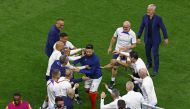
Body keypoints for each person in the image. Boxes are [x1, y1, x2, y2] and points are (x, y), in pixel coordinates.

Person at [137, 4, 169, 76]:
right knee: (147, 52)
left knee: (155, 54)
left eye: (149, 10)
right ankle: (149, 63)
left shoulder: (158, 18)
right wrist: (138, 37)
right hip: (147, 39)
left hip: (155, 40)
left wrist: (166, 37)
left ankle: (155, 69)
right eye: (147, 9)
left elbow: (163, 28)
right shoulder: (144, 17)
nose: (147, 11)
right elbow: (141, 27)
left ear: (153, 11)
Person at [105, 21, 137, 89]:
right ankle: (112, 81)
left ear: (130, 27)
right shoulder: (118, 30)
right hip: (117, 51)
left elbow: (134, 45)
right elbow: (114, 38)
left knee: (132, 67)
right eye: (124, 27)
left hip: (127, 53)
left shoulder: (132, 34)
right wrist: (110, 47)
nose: (124, 28)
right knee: (115, 66)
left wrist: (126, 48)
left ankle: (134, 80)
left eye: (126, 27)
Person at [73, 44, 102, 109]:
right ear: (85, 50)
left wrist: (79, 70)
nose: (88, 53)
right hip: (88, 76)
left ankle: (93, 107)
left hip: (96, 77)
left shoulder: (95, 59)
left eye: (90, 52)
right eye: (87, 51)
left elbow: (92, 72)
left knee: (91, 93)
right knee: (87, 90)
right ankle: (95, 93)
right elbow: (78, 59)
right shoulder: (83, 54)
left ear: (93, 51)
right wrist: (73, 64)